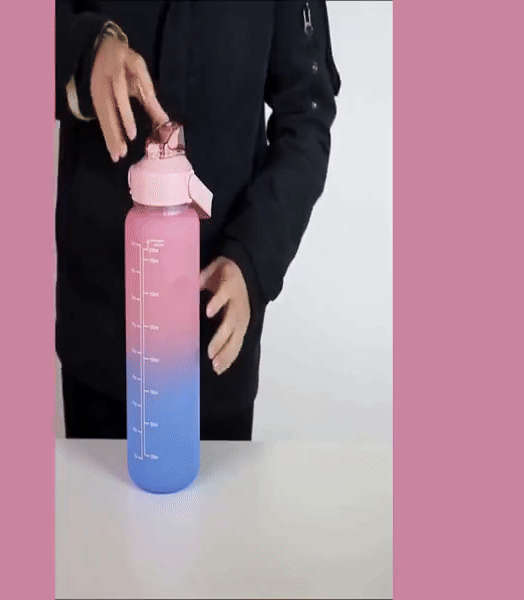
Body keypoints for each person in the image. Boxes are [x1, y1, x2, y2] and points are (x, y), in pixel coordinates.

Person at [55, 0, 341, 441]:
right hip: (97, 330)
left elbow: (307, 115)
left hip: (215, 332)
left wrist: (253, 261)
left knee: (217, 486)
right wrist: (84, 51)